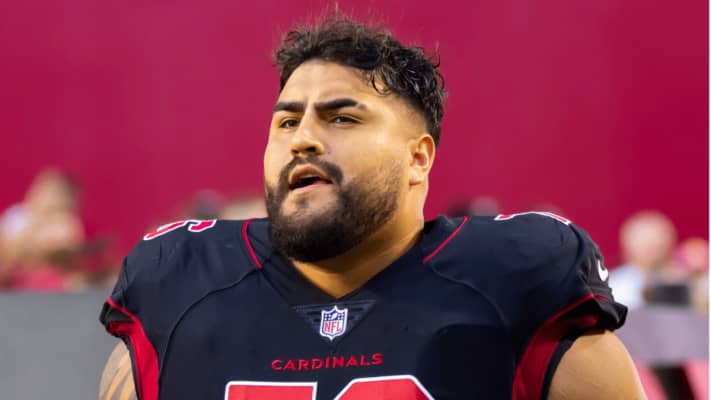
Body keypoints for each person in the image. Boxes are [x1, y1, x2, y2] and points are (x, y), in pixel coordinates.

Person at [99, 15, 643, 400]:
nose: (302, 139)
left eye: (342, 117)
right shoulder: (179, 284)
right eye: (286, 121)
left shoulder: (516, 279)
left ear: (417, 158)